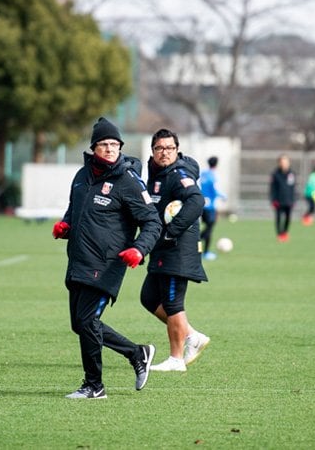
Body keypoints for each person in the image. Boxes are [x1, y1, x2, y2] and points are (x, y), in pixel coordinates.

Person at [53, 117, 161, 399]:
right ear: (94, 148)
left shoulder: (128, 181)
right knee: (80, 324)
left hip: (107, 263)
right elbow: (75, 209)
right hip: (78, 260)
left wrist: (139, 249)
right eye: (104, 144)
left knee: (87, 321)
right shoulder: (81, 176)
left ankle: (94, 385)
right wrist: (66, 225)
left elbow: (153, 222)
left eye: (115, 144)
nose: (111, 148)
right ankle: (137, 353)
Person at [142, 129, 210, 372]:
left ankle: (176, 359)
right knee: (149, 298)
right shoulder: (156, 173)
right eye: (160, 148)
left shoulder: (178, 174)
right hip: (161, 248)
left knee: (172, 303)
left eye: (170, 148)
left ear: (177, 150)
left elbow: (197, 201)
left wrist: (173, 231)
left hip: (177, 249)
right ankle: (192, 336)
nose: (165, 152)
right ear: (153, 150)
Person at [199, 156, 226, 261]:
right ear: (216, 164)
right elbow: (215, 189)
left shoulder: (203, 174)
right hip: (210, 207)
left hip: (202, 205)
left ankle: (201, 249)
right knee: (209, 229)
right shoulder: (213, 175)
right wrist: (223, 196)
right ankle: (204, 251)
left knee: (207, 228)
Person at [269, 154, 296, 242]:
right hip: (278, 200)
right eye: (283, 162)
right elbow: (272, 188)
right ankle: (279, 234)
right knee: (279, 218)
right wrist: (273, 200)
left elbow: (293, 188)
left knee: (288, 218)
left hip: (288, 200)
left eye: (286, 161)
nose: (284, 163)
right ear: (279, 163)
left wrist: (293, 200)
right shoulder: (275, 174)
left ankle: (285, 233)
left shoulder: (291, 174)